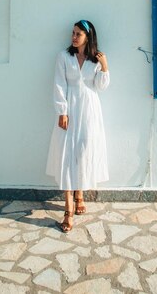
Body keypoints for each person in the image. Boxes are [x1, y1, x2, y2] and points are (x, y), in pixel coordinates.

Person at [46, 19, 110, 232]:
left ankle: (80, 193)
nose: (73, 37)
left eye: (78, 34)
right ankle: (68, 209)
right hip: (70, 108)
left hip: (90, 110)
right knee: (66, 154)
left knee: (84, 151)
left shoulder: (95, 59)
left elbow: (100, 86)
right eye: (73, 33)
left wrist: (105, 67)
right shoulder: (64, 57)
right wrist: (61, 111)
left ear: (88, 37)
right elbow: (58, 84)